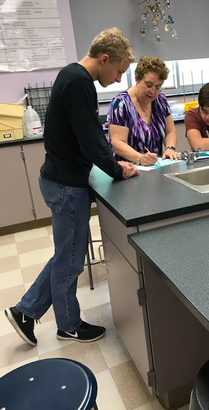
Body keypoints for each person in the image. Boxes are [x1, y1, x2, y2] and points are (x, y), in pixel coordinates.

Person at [5, 28, 139, 346]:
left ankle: (26, 311)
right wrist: (118, 171)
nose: (120, 79)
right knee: (71, 259)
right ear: (104, 59)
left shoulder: (72, 76)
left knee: (65, 254)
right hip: (65, 185)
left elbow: (84, 137)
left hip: (60, 178)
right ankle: (68, 324)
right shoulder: (79, 82)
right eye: (119, 71)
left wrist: (108, 165)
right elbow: (92, 141)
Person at [107, 56, 179, 166]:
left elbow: (170, 131)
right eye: (149, 85)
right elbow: (117, 143)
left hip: (154, 168)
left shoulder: (161, 101)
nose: (153, 91)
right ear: (137, 79)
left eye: (158, 87)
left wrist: (170, 148)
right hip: (125, 169)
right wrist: (140, 158)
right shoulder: (121, 104)